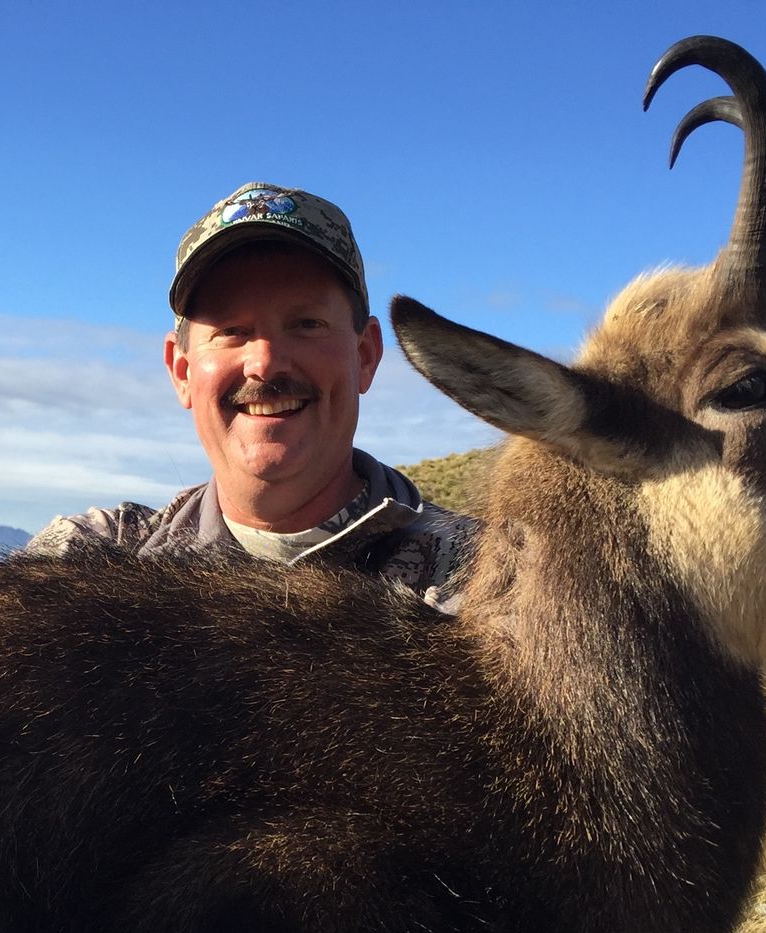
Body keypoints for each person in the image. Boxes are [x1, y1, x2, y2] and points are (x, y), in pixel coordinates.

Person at [26, 182, 476, 613]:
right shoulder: (80, 566)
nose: (265, 362)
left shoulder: (491, 581)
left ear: (366, 355)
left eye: (306, 324)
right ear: (180, 371)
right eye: (230, 331)